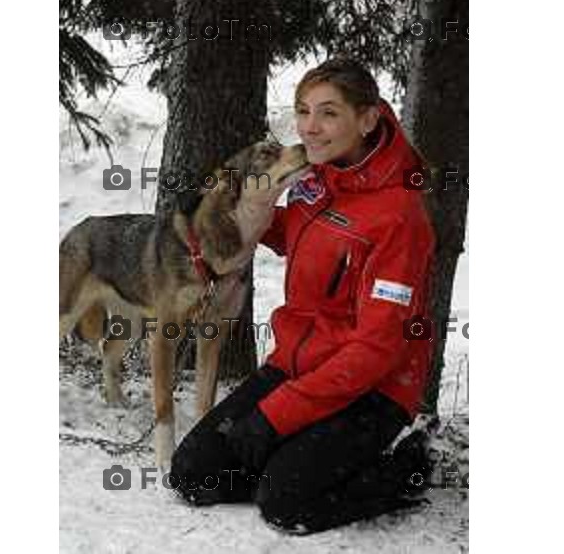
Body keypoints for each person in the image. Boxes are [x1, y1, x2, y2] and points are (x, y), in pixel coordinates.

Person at [170, 57, 436, 535]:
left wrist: (276, 416)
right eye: (303, 111)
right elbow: (292, 233)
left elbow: (376, 350)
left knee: (287, 503)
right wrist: (223, 211)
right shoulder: (316, 179)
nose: (310, 128)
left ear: (368, 118)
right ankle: (296, 460)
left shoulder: (399, 216)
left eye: (329, 113)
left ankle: (404, 471)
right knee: (193, 473)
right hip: (296, 366)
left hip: (371, 390)